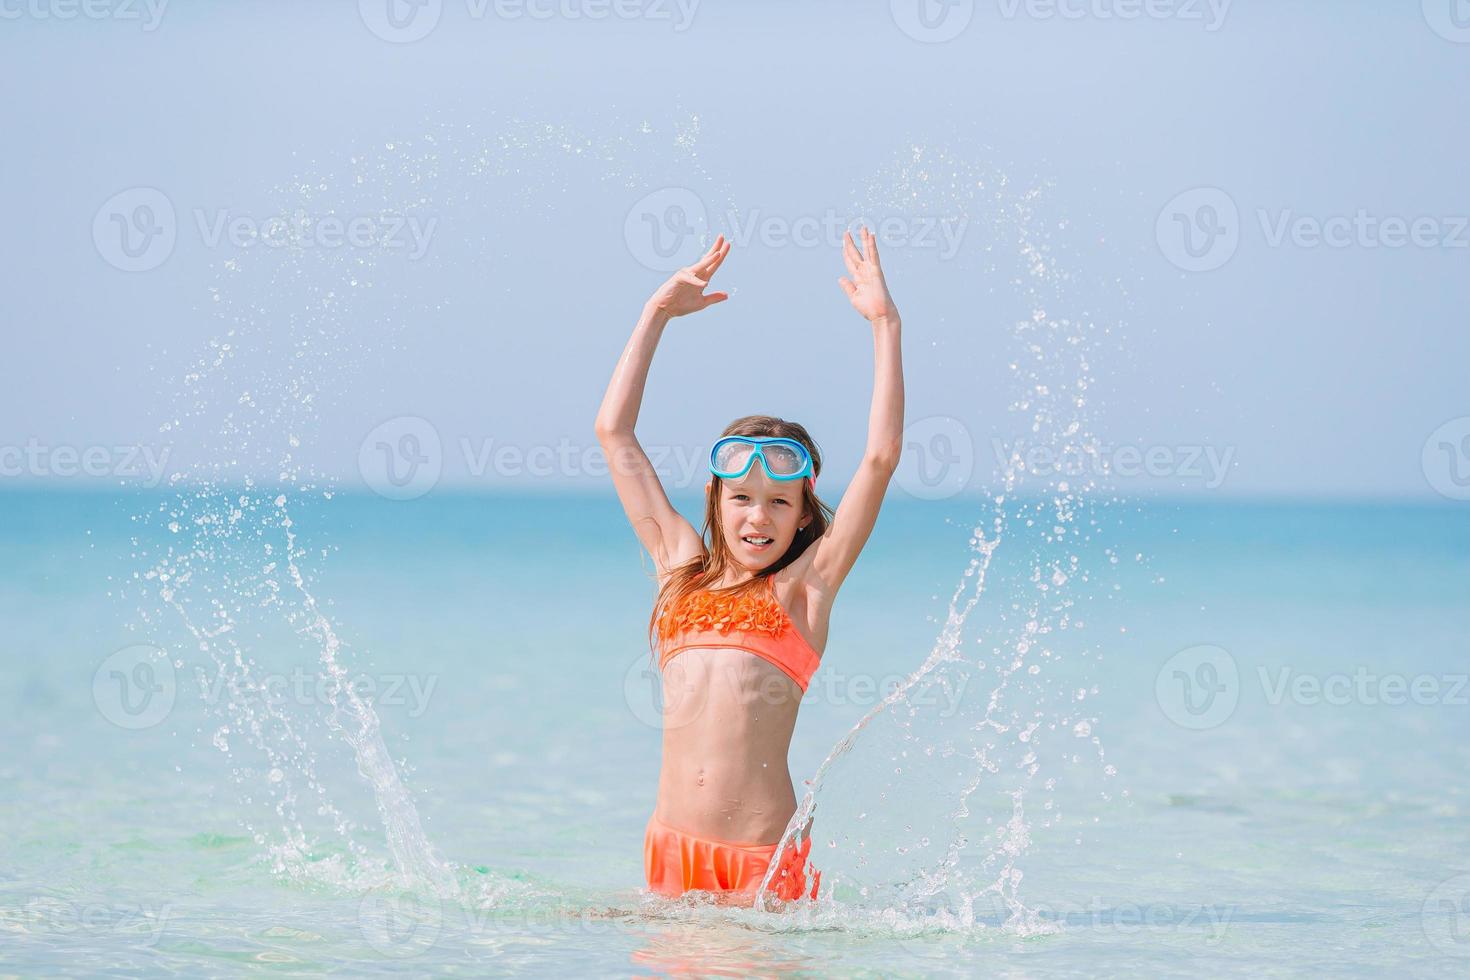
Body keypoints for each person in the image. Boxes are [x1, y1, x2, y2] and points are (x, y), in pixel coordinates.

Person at [594, 228, 905, 904]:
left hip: (762, 865)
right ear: (715, 497)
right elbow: (613, 433)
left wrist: (885, 324)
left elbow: (880, 458)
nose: (757, 517)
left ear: (802, 514)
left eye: (778, 503)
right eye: (741, 498)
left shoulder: (805, 590)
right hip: (669, 854)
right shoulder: (678, 567)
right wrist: (656, 313)